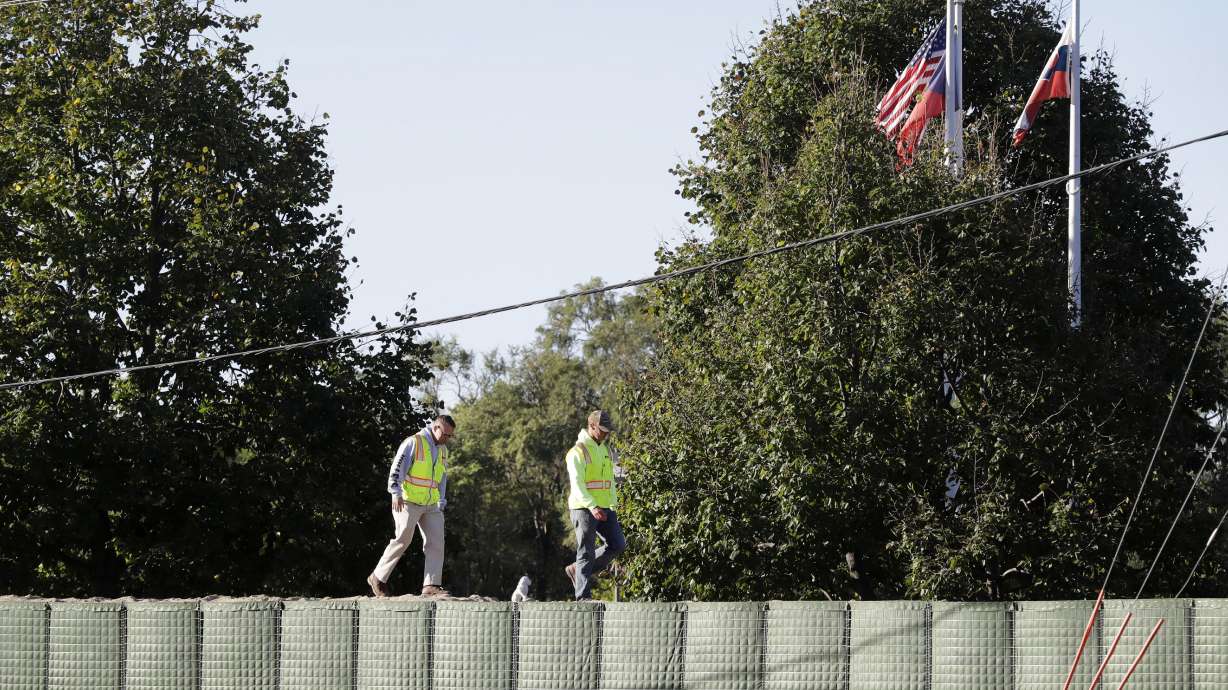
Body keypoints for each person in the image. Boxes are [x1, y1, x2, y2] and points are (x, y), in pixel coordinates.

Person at [367, 414, 455, 598]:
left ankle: (431, 585)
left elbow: (442, 475)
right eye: (446, 434)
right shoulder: (414, 442)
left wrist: (442, 499)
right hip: (407, 500)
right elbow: (397, 467)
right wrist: (395, 492)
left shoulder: (443, 450)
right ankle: (378, 577)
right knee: (403, 538)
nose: (447, 439)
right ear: (436, 427)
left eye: (450, 436)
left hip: (431, 503)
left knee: (437, 542)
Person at [564, 410, 626, 600]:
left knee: (618, 545)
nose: (606, 434)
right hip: (583, 508)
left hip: (605, 507)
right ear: (591, 426)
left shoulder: (605, 449)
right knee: (586, 551)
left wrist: (613, 504)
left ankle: (578, 570)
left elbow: (610, 480)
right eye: (602, 430)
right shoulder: (577, 452)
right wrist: (592, 506)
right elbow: (578, 485)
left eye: (608, 431)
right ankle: (583, 597)